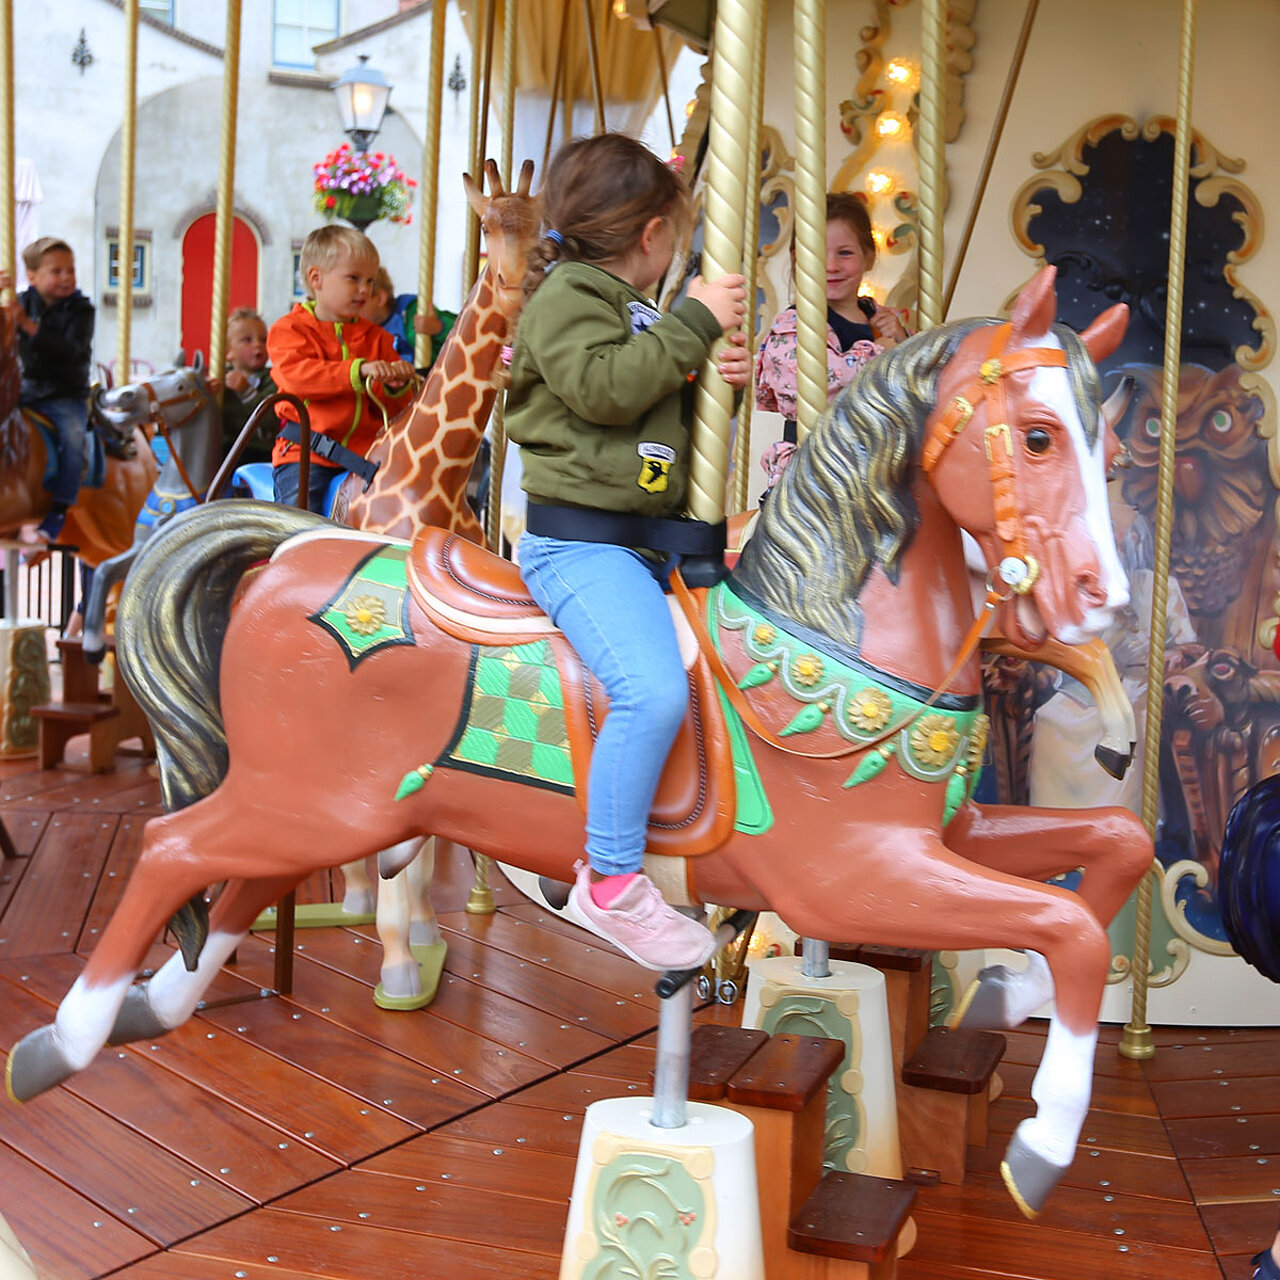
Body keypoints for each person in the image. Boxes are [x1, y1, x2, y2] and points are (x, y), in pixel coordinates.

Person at [505, 133, 750, 970]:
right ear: (653, 235)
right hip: (580, 546)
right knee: (649, 692)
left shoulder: (625, 302)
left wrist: (718, 380)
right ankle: (610, 881)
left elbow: (650, 401)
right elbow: (605, 391)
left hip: (645, 544)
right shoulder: (570, 296)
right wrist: (692, 324)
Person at [268, 227, 415, 512]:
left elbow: (394, 411)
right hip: (306, 454)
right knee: (298, 522)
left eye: (369, 281)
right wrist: (357, 371)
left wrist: (395, 386)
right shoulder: (290, 330)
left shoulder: (378, 338)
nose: (365, 289)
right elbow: (297, 377)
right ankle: (291, 555)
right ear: (316, 278)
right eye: (353, 278)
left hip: (366, 458)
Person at [755, 192, 909, 445]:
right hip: (819, 460)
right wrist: (882, 356)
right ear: (797, 259)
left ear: (868, 257)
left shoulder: (881, 319)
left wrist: (904, 341)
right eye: (817, 254)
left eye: (845, 253)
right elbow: (809, 392)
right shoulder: (793, 326)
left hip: (878, 453)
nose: (831, 266)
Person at [3, 237, 95, 545]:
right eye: (57, 271)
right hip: (27, 389)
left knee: (72, 437)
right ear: (32, 276)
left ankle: (58, 509)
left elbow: (71, 349)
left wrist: (28, 326)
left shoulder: (81, 310)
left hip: (65, 393)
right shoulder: (19, 302)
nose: (67, 277)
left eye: (71, 270)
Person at [359, 266, 456, 369]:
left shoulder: (410, 311)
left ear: (380, 299)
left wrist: (439, 328)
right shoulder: (362, 334)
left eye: (360, 302)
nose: (353, 310)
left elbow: (463, 330)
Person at [219, 307, 277, 466]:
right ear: (228, 352)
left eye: (263, 339)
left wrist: (246, 391)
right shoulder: (220, 377)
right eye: (247, 340)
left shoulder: (274, 379)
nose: (258, 345)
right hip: (226, 448)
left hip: (260, 451)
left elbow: (271, 418)